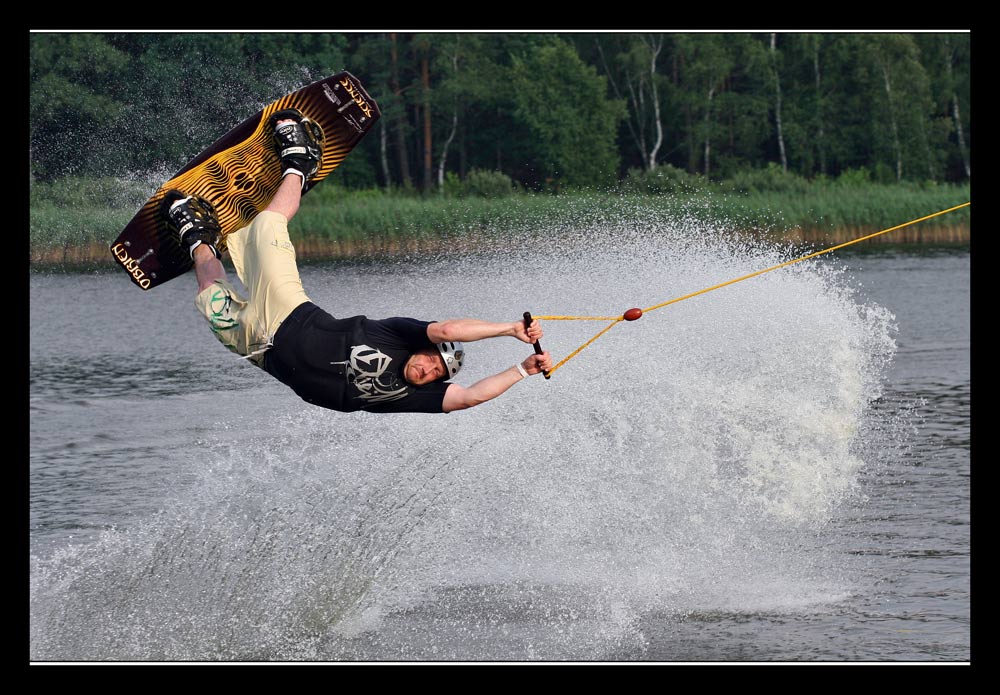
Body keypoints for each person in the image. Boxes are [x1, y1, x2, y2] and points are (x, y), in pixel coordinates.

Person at [162, 109, 552, 414]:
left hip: (264, 353)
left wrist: (520, 370)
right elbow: (450, 327)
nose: (427, 373)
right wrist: (509, 329)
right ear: (424, 349)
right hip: (289, 314)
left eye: (436, 375)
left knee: (210, 298)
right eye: (432, 363)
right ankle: (299, 161)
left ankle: (197, 237)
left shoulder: (407, 395)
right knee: (266, 226)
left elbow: (468, 398)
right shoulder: (400, 336)